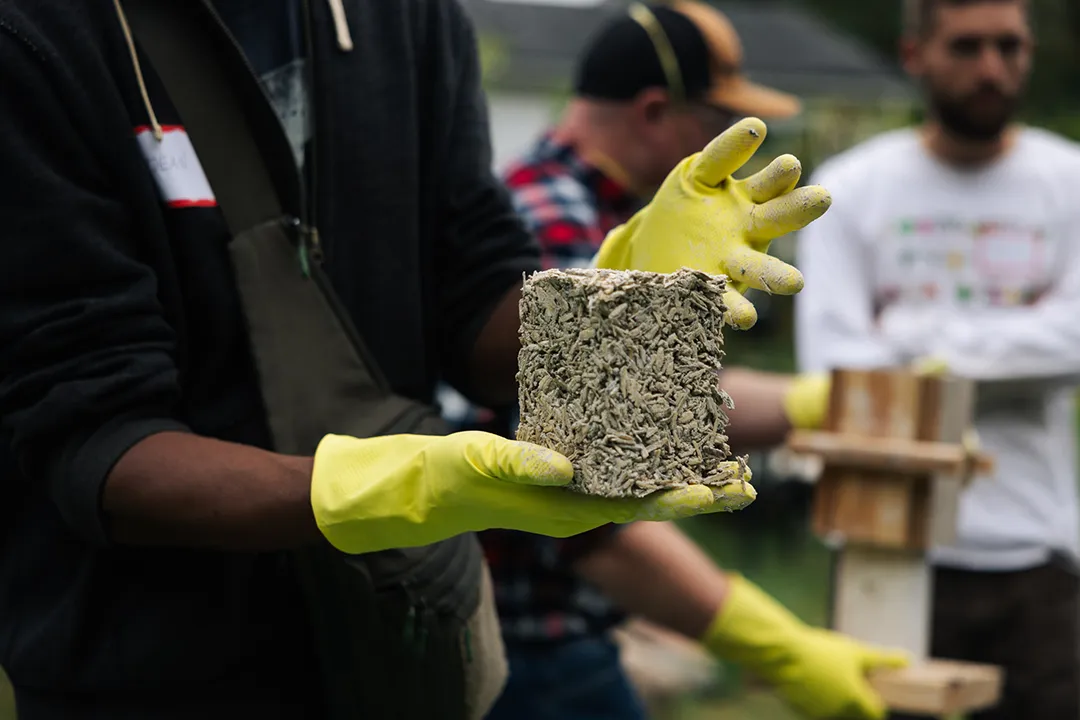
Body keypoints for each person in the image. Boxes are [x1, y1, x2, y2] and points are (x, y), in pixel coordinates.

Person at [0, 0, 835, 718]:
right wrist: (392, 485)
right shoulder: (38, 38)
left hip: (400, 652)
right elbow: (89, 437)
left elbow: (469, 301)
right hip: (148, 675)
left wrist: (624, 292)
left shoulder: (404, 16)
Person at [440, 4, 907, 719]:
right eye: (714, 128)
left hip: (545, 636)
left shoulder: (578, 209)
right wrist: (778, 645)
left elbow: (670, 396)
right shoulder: (556, 226)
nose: (730, 167)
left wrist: (824, 404)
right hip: (530, 650)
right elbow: (598, 494)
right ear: (656, 112)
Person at [795, 0, 1080, 718]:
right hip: (884, 549)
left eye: (1009, 46)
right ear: (915, 53)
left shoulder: (1070, 180)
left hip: (1038, 554)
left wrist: (913, 337)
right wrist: (1020, 336)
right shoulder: (850, 186)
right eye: (966, 47)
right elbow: (833, 370)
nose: (992, 67)